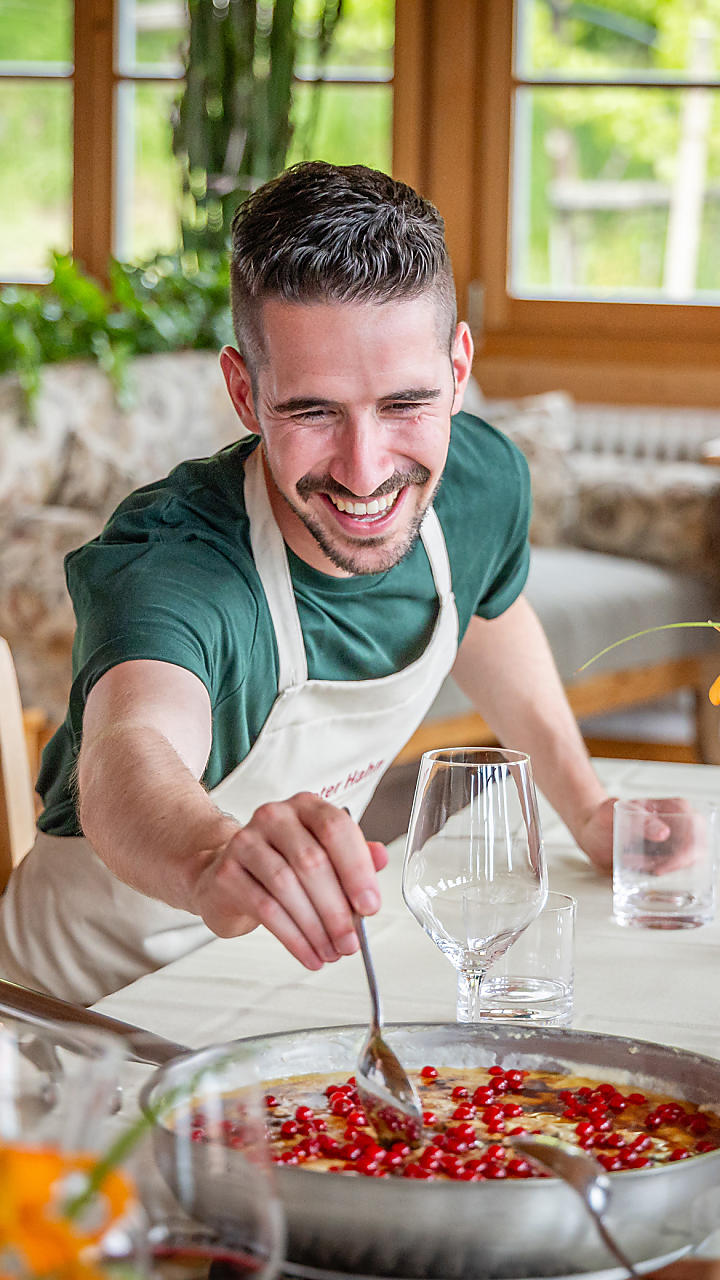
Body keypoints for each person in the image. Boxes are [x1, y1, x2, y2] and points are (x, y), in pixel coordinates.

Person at [0, 161, 616, 1007]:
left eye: (405, 403)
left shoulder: (481, 483)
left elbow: (484, 613)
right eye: (312, 412)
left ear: (460, 367)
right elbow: (126, 750)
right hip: (81, 1021)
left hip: (270, 996)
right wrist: (214, 857)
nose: (366, 472)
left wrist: (588, 812)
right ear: (246, 392)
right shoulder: (174, 562)